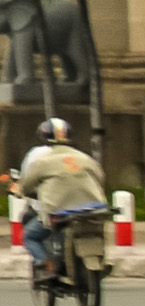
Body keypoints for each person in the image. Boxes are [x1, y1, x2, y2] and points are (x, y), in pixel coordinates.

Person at [13, 118, 105, 280]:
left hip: (58, 212)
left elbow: (26, 185)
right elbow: (101, 177)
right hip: (92, 210)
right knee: (95, 232)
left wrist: (21, 191)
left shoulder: (41, 159)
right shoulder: (84, 157)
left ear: (43, 136)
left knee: (30, 236)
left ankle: (43, 264)